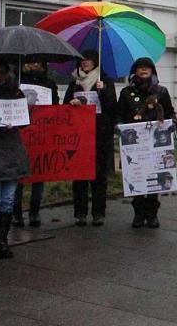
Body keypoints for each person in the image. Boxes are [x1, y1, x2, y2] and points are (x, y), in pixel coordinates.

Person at [117, 57, 176, 229]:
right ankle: (138, 214)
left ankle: (152, 215)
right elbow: (119, 114)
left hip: (155, 144)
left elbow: (170, 113)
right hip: (134, 145)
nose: (143, 70)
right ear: (135, 71)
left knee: (154, 180)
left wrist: (173, 123)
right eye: (140, 67)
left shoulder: (161, 91)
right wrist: (118, 125)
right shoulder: (126, 92)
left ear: (152, 71)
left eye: (147, 68)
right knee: (136, 178)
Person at [65, 50, 117, 227]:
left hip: (99, 134)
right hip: (78, 135)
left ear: (95, 62)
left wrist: (104, 91)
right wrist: (71, 104)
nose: (85, 62)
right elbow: (65, 107)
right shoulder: (74, 82)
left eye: (89, 59)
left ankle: (98, 213)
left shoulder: (105, 81)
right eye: (82, 60)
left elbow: (112, 107)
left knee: (98, 175)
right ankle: (80, 213)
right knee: (79, 175)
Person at [0, 60, 29, 260]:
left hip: (12, 153)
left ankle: (3, 240)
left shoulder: (14, 92)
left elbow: (24, 121)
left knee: (8, 200)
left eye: (2, 72)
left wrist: (21, 106)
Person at [12, 57, 59, 227]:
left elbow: (55, 106)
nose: (34, 65)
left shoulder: (49, 83)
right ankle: (16, 212)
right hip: (20, 133)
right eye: (30, 62)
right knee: (18, 175)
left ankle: (34, 211)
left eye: (38, 62)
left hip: (41, 134)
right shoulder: (15, 82)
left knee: (39, 173)